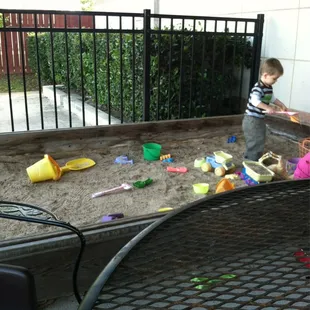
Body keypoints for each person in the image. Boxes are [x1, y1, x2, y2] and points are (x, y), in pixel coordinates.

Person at [242, 58, 288, 161]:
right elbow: (255, 101)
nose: (275, 81)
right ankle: (251, 161)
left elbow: (271, 98)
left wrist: (281, 105)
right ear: (266, 75)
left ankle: (253, 157)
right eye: (274, 78)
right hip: (251, 119)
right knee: (255, 140)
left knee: (260, 138)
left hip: (258, 119)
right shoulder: (258, 88)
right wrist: (267, 107)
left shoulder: (268, 87)